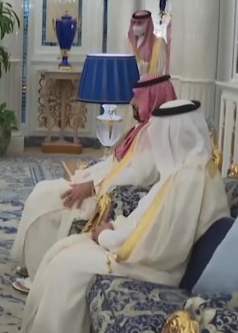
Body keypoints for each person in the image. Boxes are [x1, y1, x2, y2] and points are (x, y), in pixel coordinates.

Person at [20, 99, 230, 333]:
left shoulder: (189, 179)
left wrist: (106, 238)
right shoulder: (184, 172)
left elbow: (162, 246)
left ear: (174, 134)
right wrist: (116, 226)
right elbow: (149, 219)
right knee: (62, 252)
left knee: (66, 266)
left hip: (156, 269)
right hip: (143, 254)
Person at [11, 74, 177, 293]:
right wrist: (86, 175)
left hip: (102, 197)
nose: (132, 103)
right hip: (97, 186)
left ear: (151, 99)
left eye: (138, 98)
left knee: (45, 199)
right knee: (41, 190)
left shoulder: (154, 135)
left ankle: (38, 276)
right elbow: (114, 163)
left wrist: (91, 186)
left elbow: (136, 176)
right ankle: (33, 264)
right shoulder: (142, 129)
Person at [127, 10, 169, 75]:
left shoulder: (159, 43)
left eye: (139, 23)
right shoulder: (129, 43)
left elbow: (161, 70)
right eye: (134, 23)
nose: (135, 26)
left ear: (148, 24)